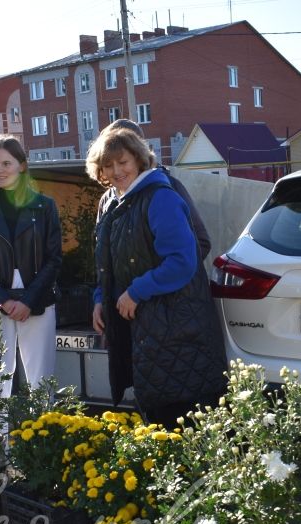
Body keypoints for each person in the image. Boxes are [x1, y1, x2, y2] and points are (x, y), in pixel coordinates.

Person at [86, 126, 226, 426]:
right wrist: (100, 298)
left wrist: (137, 291)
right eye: (108, 165)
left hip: (176, 327)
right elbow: (106, 263)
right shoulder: (112, 202)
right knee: (156, 414)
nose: (116, 170)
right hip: (144, 331)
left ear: (138, 159)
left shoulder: (160, 196)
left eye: (122, 162)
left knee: (181, 419)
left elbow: (182, 259)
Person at [0, 134, 63, 399]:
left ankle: (41, 439)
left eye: (6, 163)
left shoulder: (44, 207)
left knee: (41, 382)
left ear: (21, 165)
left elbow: (54, 259)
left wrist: (28, 300)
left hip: (38, 299)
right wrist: (4, 301)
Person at [97, 119, 212, 261]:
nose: (117, 169)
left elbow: (201, 242)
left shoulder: (167, 188)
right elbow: (103, 249)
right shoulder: (108, 199)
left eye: (122, 160)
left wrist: (160, 277)